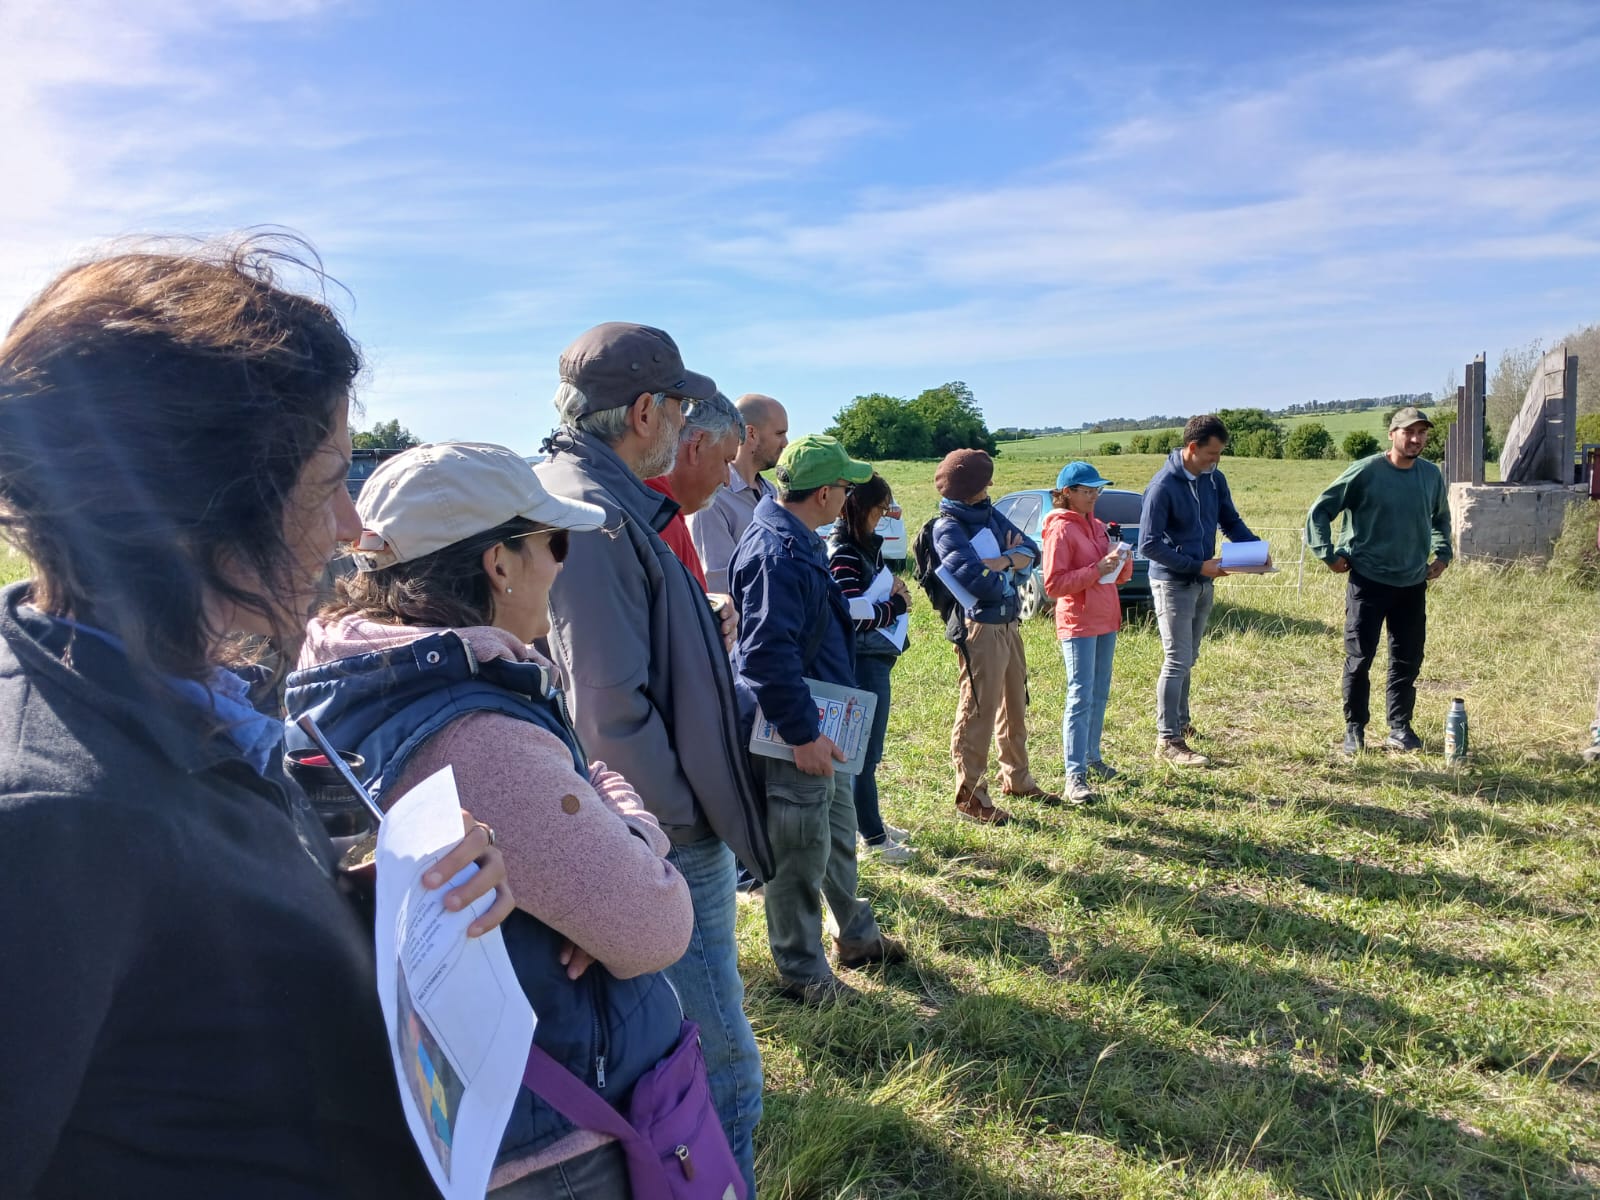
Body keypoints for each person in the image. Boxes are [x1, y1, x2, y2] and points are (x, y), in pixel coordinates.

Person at [0, 238, 510, 1198]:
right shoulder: (44, 823)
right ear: (194, 514)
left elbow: (174, 972)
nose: (354, 529)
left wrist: (376, 905)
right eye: (328, 483)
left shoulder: (173, 690)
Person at [285, 442, 709, 1198]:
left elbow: (586, 777)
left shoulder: (358, 674)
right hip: (556, 1149)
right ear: (499, 564)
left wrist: (592, 810)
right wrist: (635, 833)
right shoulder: (480, 735)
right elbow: (655, 925)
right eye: (553, 541)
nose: (560, 562)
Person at [534, 322, 770, 1196]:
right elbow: (607, 708)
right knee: (720, 1068)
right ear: (643, 412)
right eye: (675, 407)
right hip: (663, 829)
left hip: (658, 817)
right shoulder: (592, 516)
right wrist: (666, 832)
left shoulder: (602, 497)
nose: (681, 425)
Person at [730, 436, 907, 1005]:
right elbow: (764, 656)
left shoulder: (796, 538)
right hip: (798, 726)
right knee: (798, 852)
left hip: (827, 716)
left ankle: (856, 936)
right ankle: (803, 974)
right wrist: (802, 734)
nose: (849, 496)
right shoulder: (775, 553)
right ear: (825, 492)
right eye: (846, 487)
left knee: (835, 833)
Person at [1306, 407, 1452, 755]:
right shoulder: (1367, 471)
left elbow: (1440, 518)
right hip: (1368, 581)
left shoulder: (1431, 475)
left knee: (1407, 659)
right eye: (1408, 432)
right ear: (1392, 434)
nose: (1416, 439)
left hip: (1412, 583)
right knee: (1360, 658)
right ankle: (1354, 730)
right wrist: (1328, 553)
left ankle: (1400, 728)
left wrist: (1442, 555)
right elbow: (1321, 510)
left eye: (1422, 433)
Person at [932, 448, 1059, 824]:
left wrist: (1002, 562)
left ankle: (1017, 778)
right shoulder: (948, 528)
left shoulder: (986, 512)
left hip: (1008, 621)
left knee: (1014, 704)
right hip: (980, 627)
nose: (990, 487)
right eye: (984, 482)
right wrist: (1011, 566)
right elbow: (977, 583)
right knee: (979, 711)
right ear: (970, 488)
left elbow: (1030, 551)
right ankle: (970, 795)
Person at [1138, 414, 1265, 766]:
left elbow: (1230, 521)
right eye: (1211, 454)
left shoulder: (1214, 480)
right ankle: (1168, 740)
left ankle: (1182, 722)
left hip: (1203, 579)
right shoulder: (1162, 486)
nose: (1216, 461)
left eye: (1220, 454)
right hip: (1173, 582)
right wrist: (1196, 566)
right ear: (1191, 448)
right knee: (1177, 658)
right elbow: (1148, 545)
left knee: (1189, 656)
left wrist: (1256, 550)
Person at [826, 472, 914, 863]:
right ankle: (874, 839)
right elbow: (851, 613)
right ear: (859, 507)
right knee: (862, 753)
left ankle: (869, 821)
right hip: (861, 662)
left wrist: (893, 587)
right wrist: (895, 606)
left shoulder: (863, 546)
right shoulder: (844, 551)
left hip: (874, 656)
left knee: (869, 751)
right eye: (879, 510)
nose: (882, 517)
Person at [1041, 461, 1134, 804]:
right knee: (1080, 696)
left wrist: (1122, 561)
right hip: (1078, 621)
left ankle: (1093, 758)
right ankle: (1074, 776)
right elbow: (1053, 585)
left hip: (1106, 617)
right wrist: (1096, 570)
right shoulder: (1060, 530)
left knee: (1099, 692)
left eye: (1098, 489)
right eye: (1088, 490)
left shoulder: (1095, 526)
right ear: (1067, 493)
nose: (1095, 495)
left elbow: (1117, 578)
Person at [688, 393, 789, 593]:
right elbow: (720, 585)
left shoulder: (771, 491)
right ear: (751, 433)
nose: (786, 443)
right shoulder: (712, 500)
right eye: (779, 433)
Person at [645, 391, 746, 589]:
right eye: (726, 461)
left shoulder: (660, 507)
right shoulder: (658, 517)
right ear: (696, 445)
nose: (727, 480)